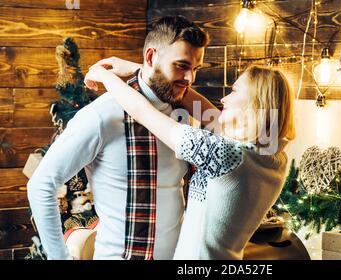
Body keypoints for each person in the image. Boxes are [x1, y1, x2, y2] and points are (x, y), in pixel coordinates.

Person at [27, 15, 210, 260]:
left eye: (195, 69)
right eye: (181, 66)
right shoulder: (103, 115)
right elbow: (41, 185)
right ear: (150, 57)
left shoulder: (186, 111)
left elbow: (222, 122)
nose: (190, 79)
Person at [84, 59, 296, 259]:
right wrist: (140, 70)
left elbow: (143, 112)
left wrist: (105, 76)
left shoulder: (227, 155)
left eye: (234, 91)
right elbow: (203, 110)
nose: (224, 99)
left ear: (255, 103)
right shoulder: (273, 157)